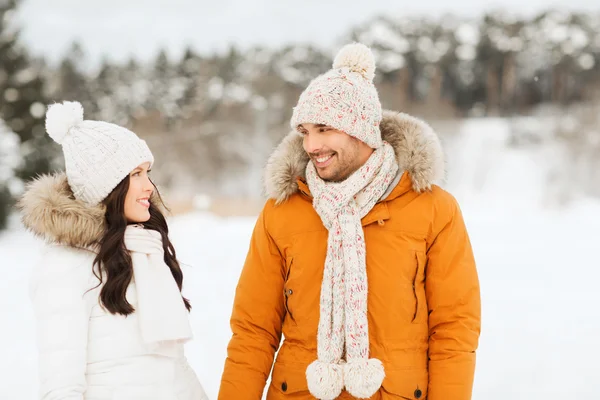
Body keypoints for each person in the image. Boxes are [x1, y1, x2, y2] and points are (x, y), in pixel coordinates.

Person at [218, 43, 481, 400]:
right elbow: (253, 331)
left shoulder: (434, 210)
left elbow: (454, 330)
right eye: (305, 131)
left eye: (324, 129)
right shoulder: (282, 211)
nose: (311, 144)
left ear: (361, 130)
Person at [19, 101, 208, 400]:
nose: (149, 186)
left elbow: (174, 367)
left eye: (147, 172)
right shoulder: (64, 266)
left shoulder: (144, 252)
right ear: (106, 187)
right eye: (135, 174)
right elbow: (61, 387)